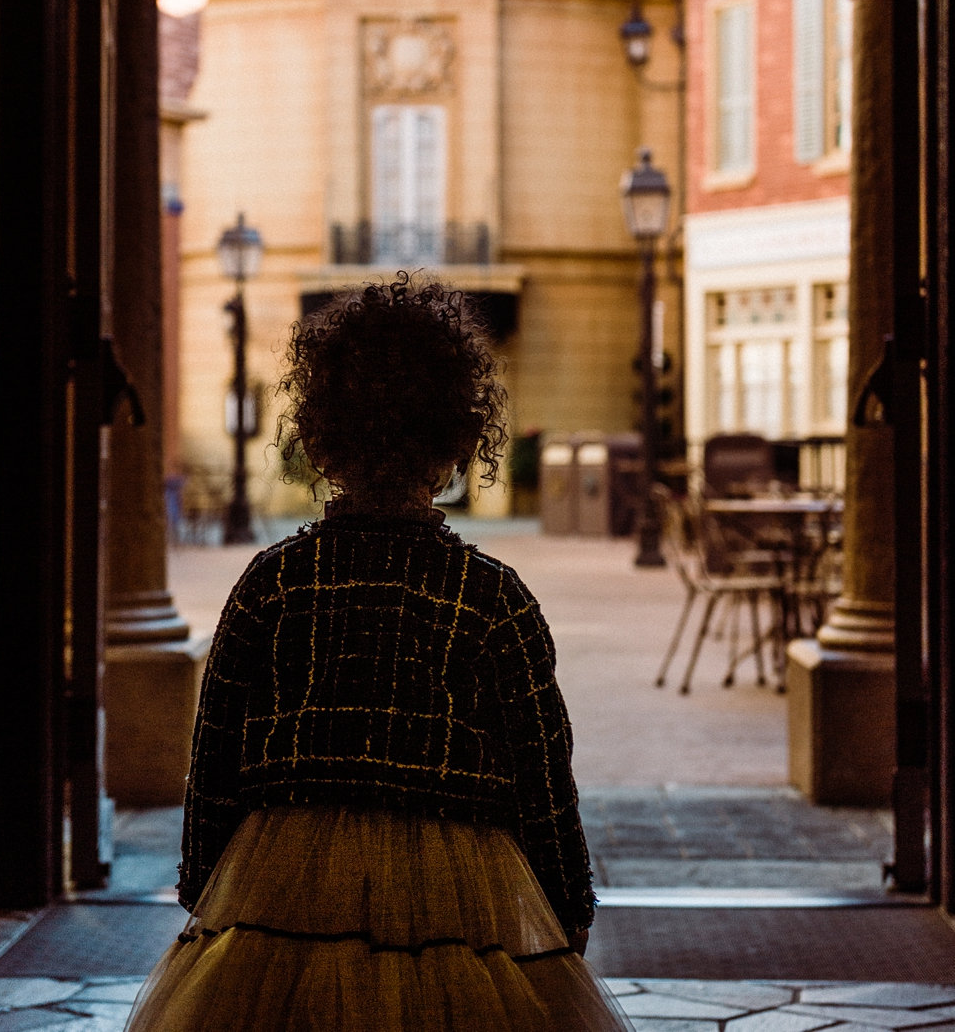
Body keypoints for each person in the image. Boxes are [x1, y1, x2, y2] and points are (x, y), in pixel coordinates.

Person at [125, 274, 632, 1031]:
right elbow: (541, 774)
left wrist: (206, 880)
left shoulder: (273, 584)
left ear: (321, 435)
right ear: (460, 436)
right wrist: (565, 902)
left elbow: (216, 751)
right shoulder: (492, 597)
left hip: (280, 884)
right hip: (465, 886)